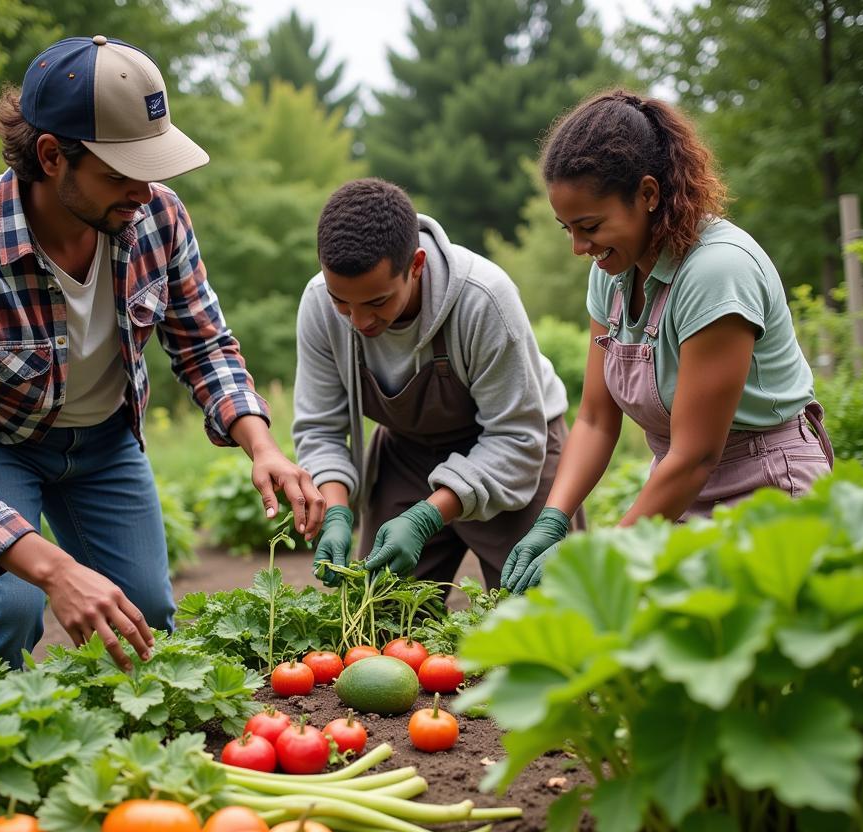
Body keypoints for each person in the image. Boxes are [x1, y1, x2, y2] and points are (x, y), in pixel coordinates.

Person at [0, 35, 324, 671]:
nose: (145, 193)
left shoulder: (158, 218)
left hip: (105, 443)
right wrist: (56, 570)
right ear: (51, 156)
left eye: (151, 170)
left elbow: (204, 344)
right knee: (10, 606)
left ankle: (126, 760)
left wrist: (261, 444)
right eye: (121, 174)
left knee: (143, 611)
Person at [501, 89, 833, 594]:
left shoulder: (717, 271)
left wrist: (603, 558)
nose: (578, 247)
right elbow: (594, 418)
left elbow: (698, 454)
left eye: (589, 226)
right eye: (567, 228)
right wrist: (553, 518)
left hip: (765, 486)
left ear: (649, 194)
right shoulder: (610, 272)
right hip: (677, 489)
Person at [293, 177, 581, 592]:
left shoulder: (483, 298)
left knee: (541, 611)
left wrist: (426, 516)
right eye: (343, 302)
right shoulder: (318, 303)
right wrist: (337, 510)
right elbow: (320, 429)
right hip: (408, 452)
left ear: (416, 265)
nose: (359, 321)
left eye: (377, 302)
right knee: (381, 614)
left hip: (515, 450)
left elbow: (517, 435)